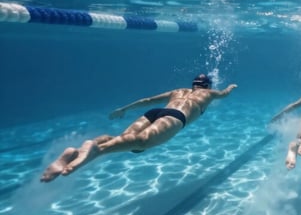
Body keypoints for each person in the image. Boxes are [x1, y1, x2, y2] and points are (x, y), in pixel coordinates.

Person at [40, 74, 237, 182]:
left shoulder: (178, 91)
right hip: (176, 117)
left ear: (193, 84)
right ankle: (96, 151)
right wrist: (230, 88)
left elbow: (147, 100)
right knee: (142, 143)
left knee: (125, 140)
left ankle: (77, 152)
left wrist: (123, 109)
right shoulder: (210, 93)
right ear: (207, 85)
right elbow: (224, 94)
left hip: (155, 111)